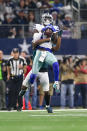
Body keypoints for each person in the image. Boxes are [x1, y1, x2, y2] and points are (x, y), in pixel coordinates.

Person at [19, 14, 62, 113]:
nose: (47, 21)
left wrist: (58, 36)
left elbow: (56, 46)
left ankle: (48, 105)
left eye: (49, 19)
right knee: (26, 83)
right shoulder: (38, 29)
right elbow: (34, 44)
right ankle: (19, 103)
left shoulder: (54, 31)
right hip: (37, 61)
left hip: (44, 70)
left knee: (46, 90)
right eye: (45, 19)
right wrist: (46, 36)